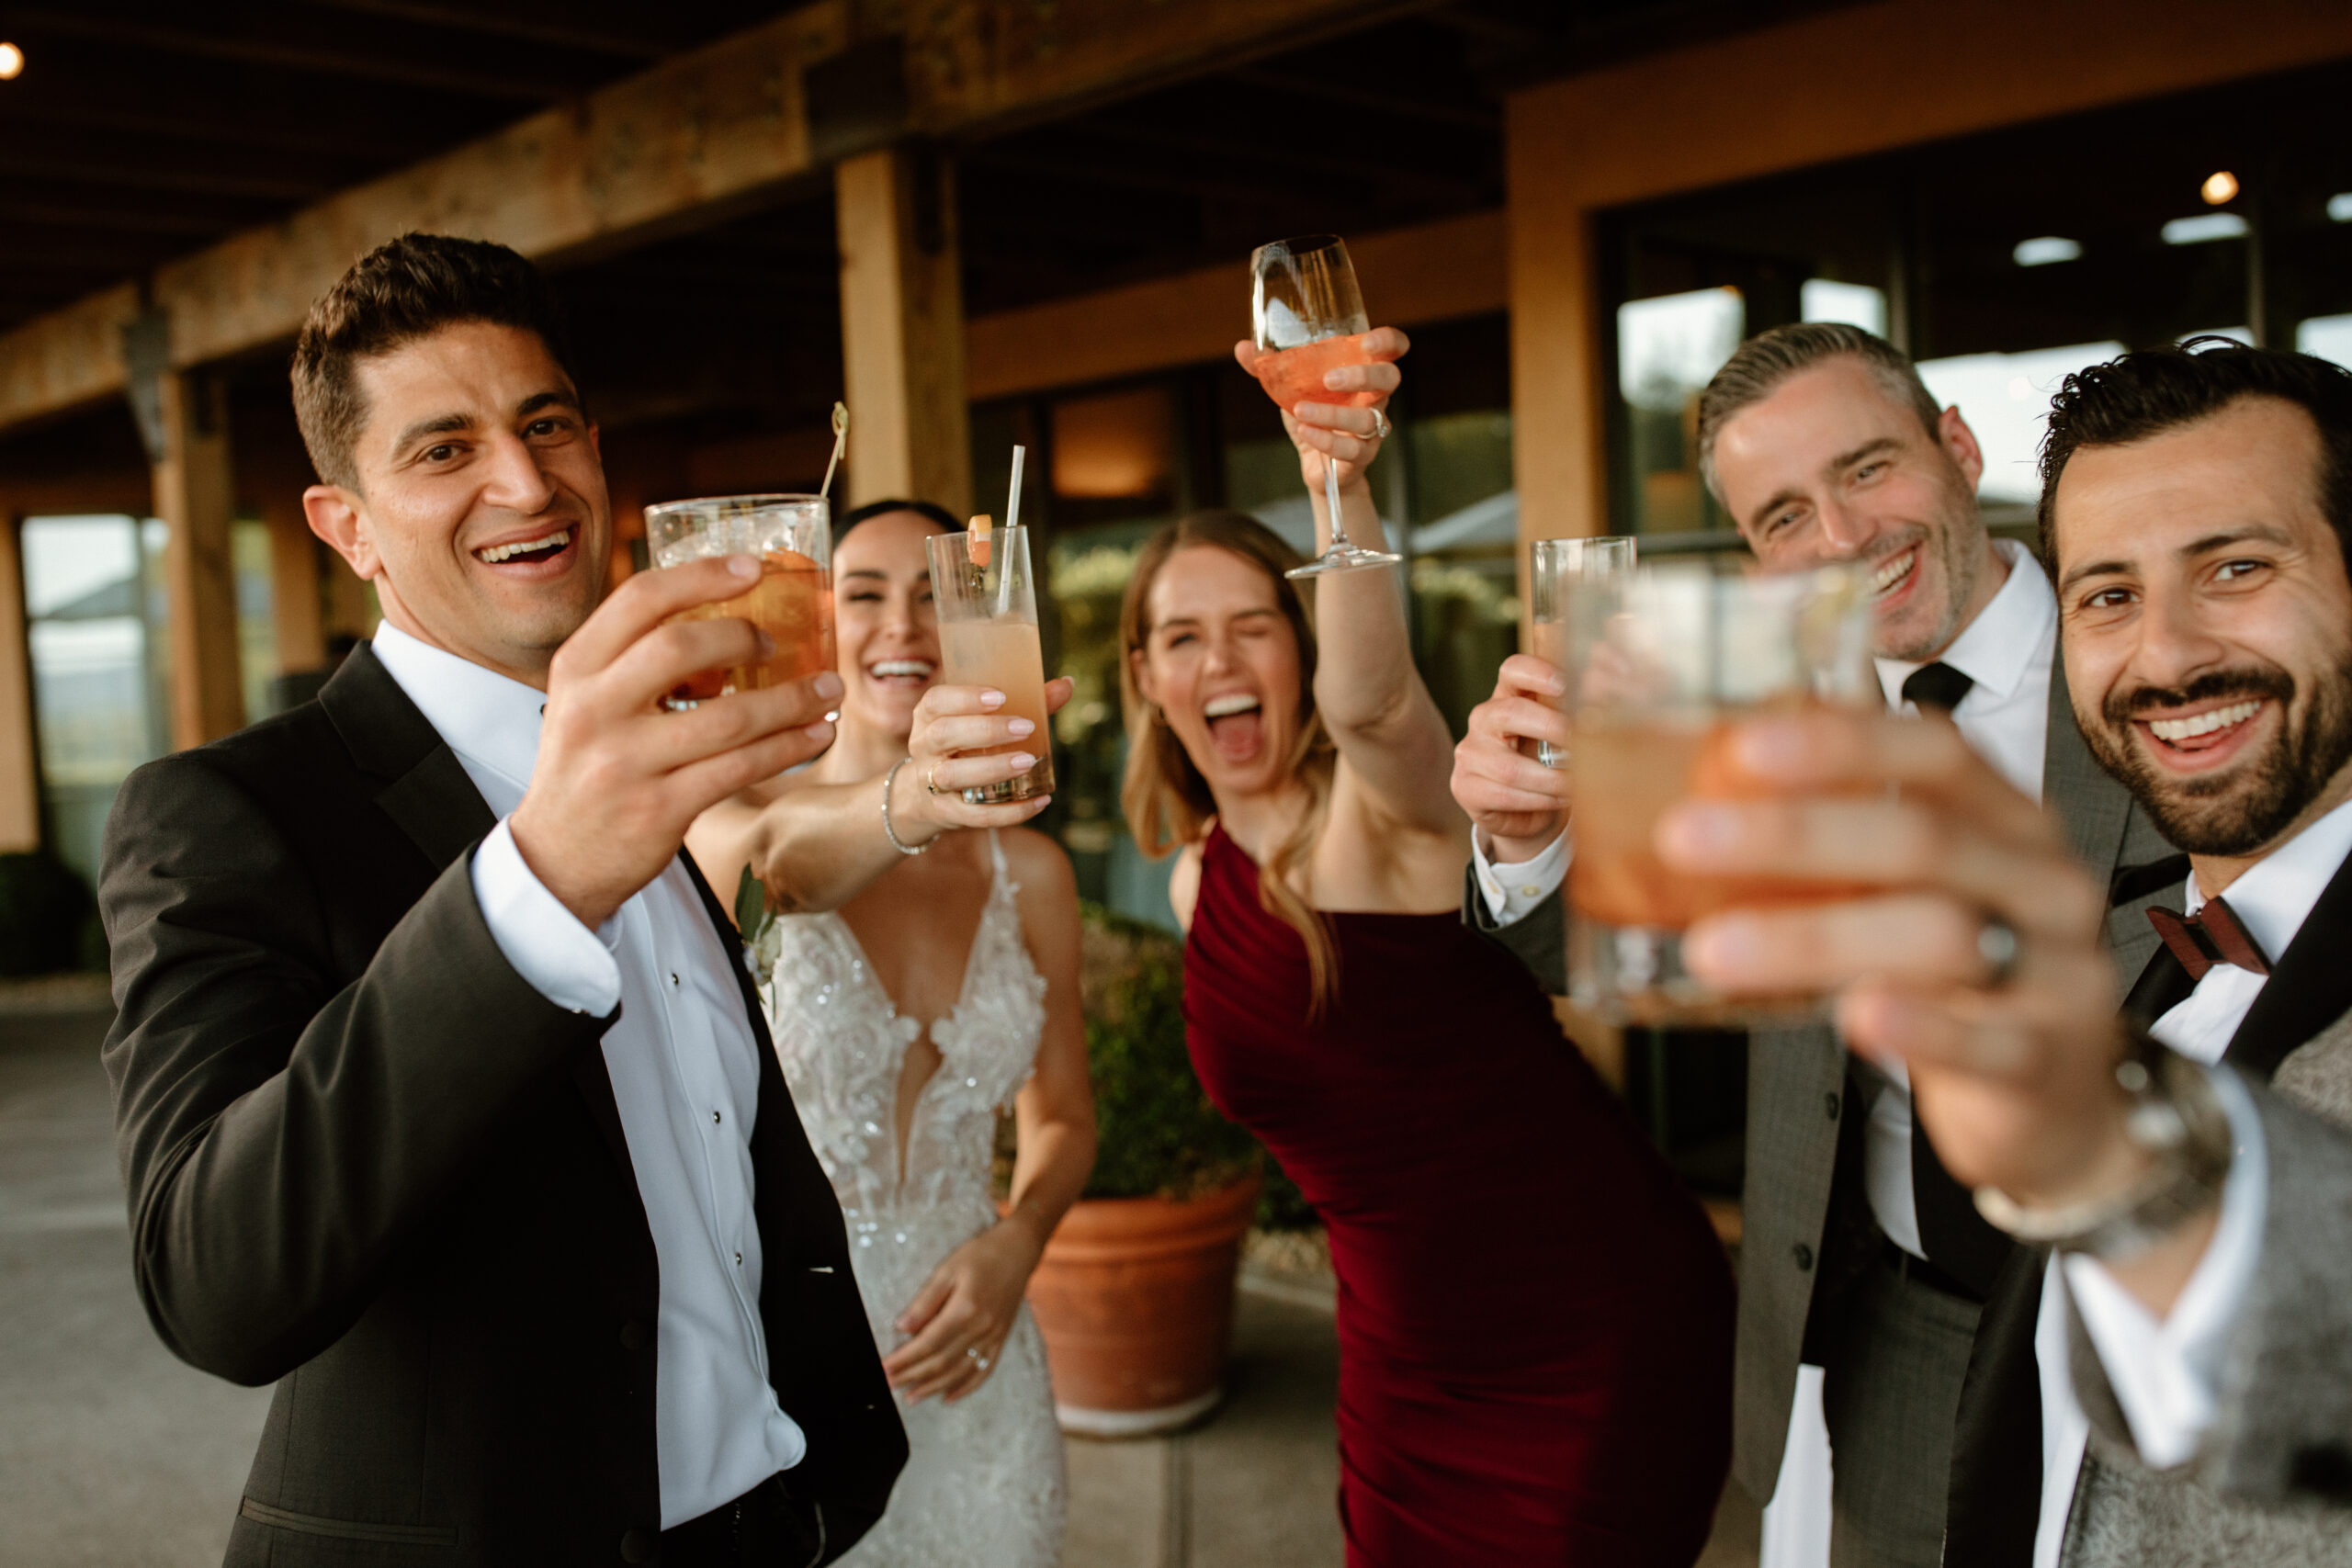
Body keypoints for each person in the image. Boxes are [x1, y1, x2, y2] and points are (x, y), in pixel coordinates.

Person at [97, 233, 905, 1566]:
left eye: (546, 425)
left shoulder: (670, 746)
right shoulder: (228, 809)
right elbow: (214, 1279)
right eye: (442, 448)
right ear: (344, 524)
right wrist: (537, 880)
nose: (525, 481)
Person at [1449, 322, 2182, 1567]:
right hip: (1904, 1330)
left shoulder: (2141, 656)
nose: (1841, 539)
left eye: (1867, 469)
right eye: (1784, 516)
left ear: (1955, 445)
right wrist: (1524, 841)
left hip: (2154, 1315)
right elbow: (1623, 951)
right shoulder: (1745, 709)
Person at [1654, 337, 2352, 1564]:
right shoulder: (1763, 716)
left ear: (1957, 450)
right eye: (2110, 595)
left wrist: (2109, 1160)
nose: (2170, 653)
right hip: (1906, 1358)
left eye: (2237, 565)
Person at [1126, 330, 1736, 1567]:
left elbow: (1378, 702)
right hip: (1404, 1361)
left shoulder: (1384, 812)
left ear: (1297, 646)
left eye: (1255, 624)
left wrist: (1335, 481)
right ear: (1143, 674)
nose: (1222, 661)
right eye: (1182, 636)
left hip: (1585, 1318)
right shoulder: (1196, 877)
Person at [686, 497, 1095, 1568]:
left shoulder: (1033, 873)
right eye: (864, 594)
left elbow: (1063, 1120)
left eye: (933, 594)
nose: (902, 626)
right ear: (822, 622)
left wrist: (1018, 1243)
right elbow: (777, 867)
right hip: (786, 1368)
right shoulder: (729, 820)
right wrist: (922, 793)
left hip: (979, 1369)